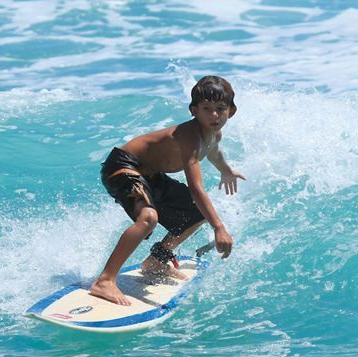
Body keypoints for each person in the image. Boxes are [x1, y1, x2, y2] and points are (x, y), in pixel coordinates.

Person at [89, 75, 246, 306]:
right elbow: (196, 188)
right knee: (148, 218)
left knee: (196, 214)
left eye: (220, 109)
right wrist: (219, 227)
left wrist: (226, 170)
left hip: (149, 174)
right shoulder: (190, 137)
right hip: (122, 167)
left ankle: (156, 261)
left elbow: (213, 151)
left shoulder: (213, 133)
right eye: (207, 109)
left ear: (231, 111)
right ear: (194, 110)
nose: (214, 115)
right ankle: (105, 281)